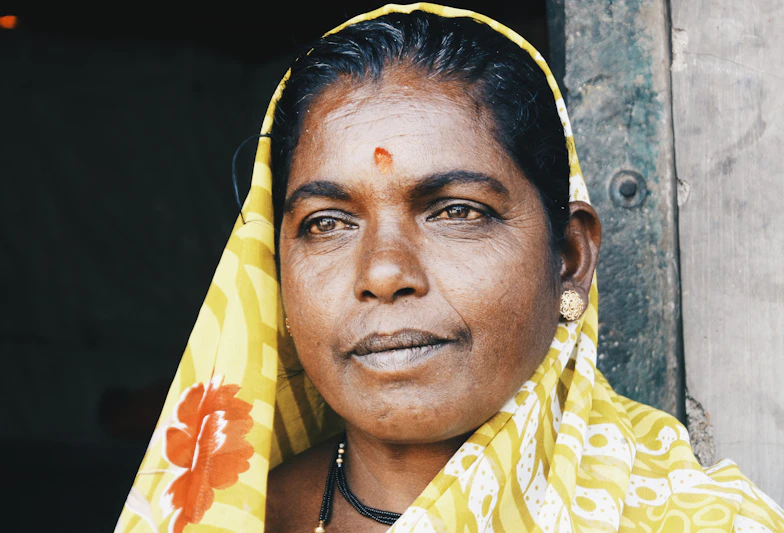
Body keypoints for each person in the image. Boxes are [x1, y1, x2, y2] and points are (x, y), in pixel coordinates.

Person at [113, 4, 784, 533]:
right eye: (327, 222)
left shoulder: (692, 521)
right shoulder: (214, 515)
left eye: (455, 211)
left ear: (571, 258)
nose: (383, 271)